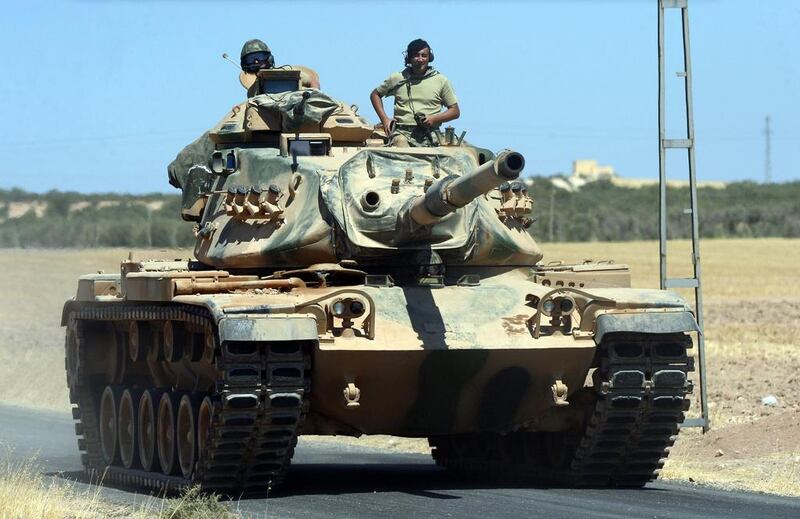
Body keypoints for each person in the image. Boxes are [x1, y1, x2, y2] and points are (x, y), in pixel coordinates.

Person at [370, 38, 460, 147]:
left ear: (429, 58)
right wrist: (384, 119)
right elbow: (375, 95)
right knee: (400, 144)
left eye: (424, 56)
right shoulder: (398, 78)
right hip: (403, 133)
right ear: (409, 58)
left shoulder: (440, 80)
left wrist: (434, 118)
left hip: (431, 133)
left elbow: (455, 111)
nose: (420, 59)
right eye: (416, 55)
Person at [239, 38, 321, 95]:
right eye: (251, 59)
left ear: (269, 58)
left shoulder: (286, 72)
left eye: (260, 57)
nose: (256, 61)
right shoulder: (253, 91)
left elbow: (313, 81)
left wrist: (313, 99)